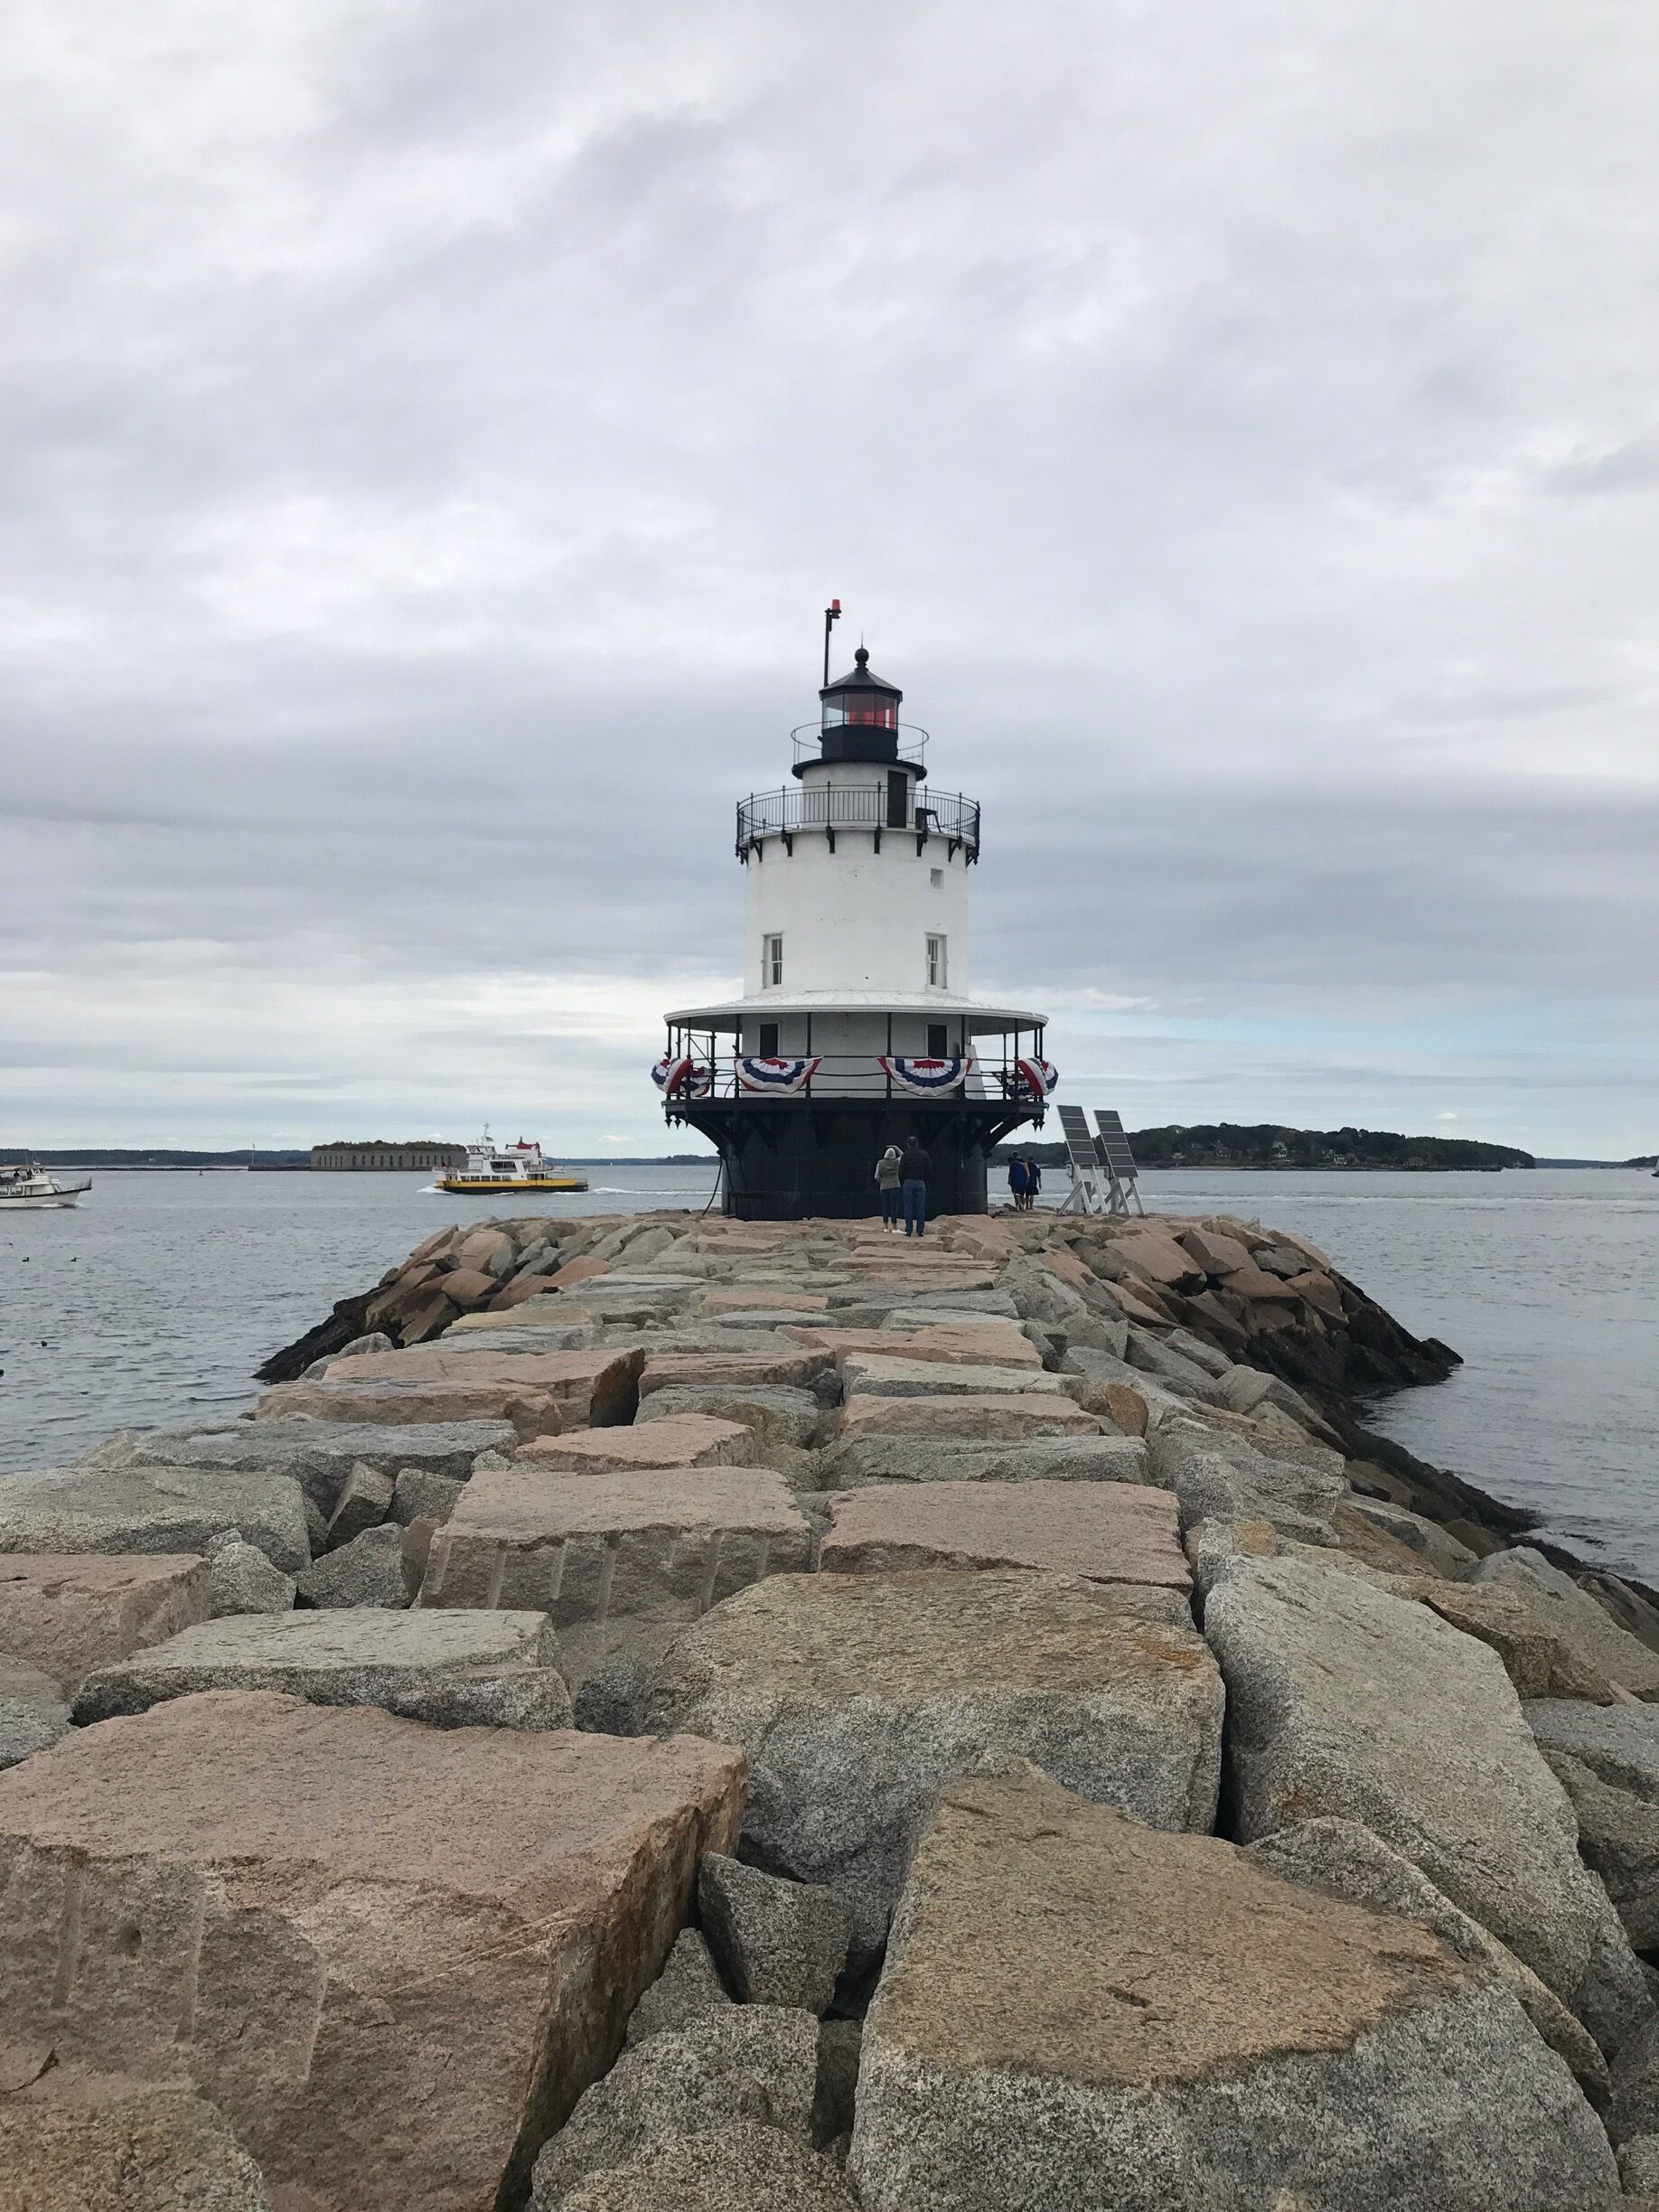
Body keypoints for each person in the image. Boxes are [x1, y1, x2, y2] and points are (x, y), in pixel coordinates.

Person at [898, 1134, 931, 1236]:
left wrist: (902, 1181)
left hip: (908, 1182)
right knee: (920, 1207)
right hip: (920, 1182)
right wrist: (925, 1180)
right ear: (917, 1144)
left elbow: (901, 1171)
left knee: (908, 1207)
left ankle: (909, 1230)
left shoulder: (905, 1156)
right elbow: (929, 1169)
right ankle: (920, 1230)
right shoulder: (924, 1154)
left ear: (908, 1145)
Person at [874, 1142, 903, 1229]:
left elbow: (876, 1176)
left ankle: (885, 1226)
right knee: (894, 1206)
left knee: (885, 1206)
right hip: (895, 1185)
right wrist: (897, 1148)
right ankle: (894, 1227)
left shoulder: (880, 1163)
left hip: (884, 1187)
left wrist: (882, 1182)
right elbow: (903, 1156)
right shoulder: (896, 1162)